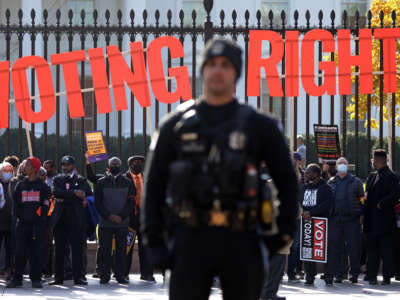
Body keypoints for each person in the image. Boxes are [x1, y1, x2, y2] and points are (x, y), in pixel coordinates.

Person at [142, 39, 299, 300]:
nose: (217, 71)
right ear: (203, 70)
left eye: (225, 65)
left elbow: (287, 181)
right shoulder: (176, 125)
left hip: (242, 240)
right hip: (190, 238)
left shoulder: (259, 126)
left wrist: (282, 234)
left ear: (236, 72)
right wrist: (154, 241)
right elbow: (154, 184)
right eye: (211, 64)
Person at [6, 157, 51, 289]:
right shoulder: (21, 185)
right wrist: (22, 217)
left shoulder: (43, 187)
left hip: (37, 225)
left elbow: (47, 204)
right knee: (19, 252)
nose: (24, 167)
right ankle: (17, 279)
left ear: (34, 169)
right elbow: (16, 204)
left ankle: (36, 279)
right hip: (23, 224)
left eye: (27, 165)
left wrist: (39, 217)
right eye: (24, 165)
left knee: (36, 253)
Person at [49, 155, 91, 286]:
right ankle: (58, 278)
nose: (65, 167)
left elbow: (87, 192)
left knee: (77, 250)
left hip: (76, 219)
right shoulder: (58, 179)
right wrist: (73, 193)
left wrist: (66, 195)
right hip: (60, 220)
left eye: (68, 164)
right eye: (63, 164)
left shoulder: (81, 179)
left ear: (73, 165)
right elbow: (56, 193)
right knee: (59, 250)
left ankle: (78, 277)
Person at [95, 157, 135, 284]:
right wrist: (109, 216)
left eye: (117, 164)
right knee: (104, 250)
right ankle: (104, 275)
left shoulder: (128, 182)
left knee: (121, 250)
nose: (115, 166)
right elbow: (98, 202)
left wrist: (121, 216)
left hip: (122, 223)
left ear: (121, 166)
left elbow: (131, 203)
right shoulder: (101, 182)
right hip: (105, 222)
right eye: (113, 164)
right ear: (108, 165)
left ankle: (120, 275)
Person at [364, 149, 400, 285]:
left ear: (379, 160)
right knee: (372, 250)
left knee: (386, 250)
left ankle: (386, 276)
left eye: (373, 159)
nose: (372, 162)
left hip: (385, 220)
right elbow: (367, 197)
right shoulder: (372, 177)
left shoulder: (392, 176)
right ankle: (371, 275)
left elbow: (395, 195)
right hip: (372, 220)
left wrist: (382, 204)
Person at [327, 157, 364, 283]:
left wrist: (361, 215)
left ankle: (354, 274)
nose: (342, 165)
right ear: (336, 167)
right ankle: (339, 274)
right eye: (340, 164)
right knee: (336, 248)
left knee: (354, 248)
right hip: (336, 220)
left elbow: (361, 199)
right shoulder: (331, 182)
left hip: (352, 220)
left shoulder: (356, 181)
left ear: (348, 166)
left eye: (344, 164)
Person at [301, 164, 334, 286]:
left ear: (315, 174)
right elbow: (299, 202)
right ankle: (309, 275)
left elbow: (328, 204)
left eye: (308, 172)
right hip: (307, 224)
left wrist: (312, 212)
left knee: (325, 250)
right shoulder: (304, 188)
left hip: (322, 224)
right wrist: (304, 213)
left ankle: (328, 275)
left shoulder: (326, 188)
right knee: (308, 249)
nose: (305, 174)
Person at [124, 155, 154, 281]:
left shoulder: (147, 177)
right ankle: (123, 273)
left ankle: (147, 273)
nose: (137, 164)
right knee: (127, 246)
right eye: (135, 162)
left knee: (145, 247)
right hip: (130, 217)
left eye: (140, 162)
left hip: (144, 216)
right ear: (130, 165)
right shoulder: (124, 178)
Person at [0, 162, 13, 276]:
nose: (7, 173)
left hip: (11, 222)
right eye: (5, 171)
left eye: (10, 171)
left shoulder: (15, 184)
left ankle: (9, 269)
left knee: (10, 248)